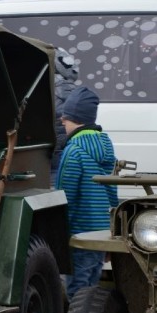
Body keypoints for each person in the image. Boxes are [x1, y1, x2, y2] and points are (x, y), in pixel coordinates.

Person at [56, 86, 118, 300]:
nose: (62, 122)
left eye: (64, 119)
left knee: (77, 289)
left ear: (74, 118)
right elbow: (112, 191)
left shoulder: (73, 151)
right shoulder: (106, 146)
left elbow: (66, 196)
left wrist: (60, 232)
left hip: (79, 233)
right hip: (101, 233)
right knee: (92, 282)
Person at [50, 47, 79, 185]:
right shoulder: (72, 88)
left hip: (54, 139)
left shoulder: (50, 84)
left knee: (53, 175)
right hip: (66, 139)